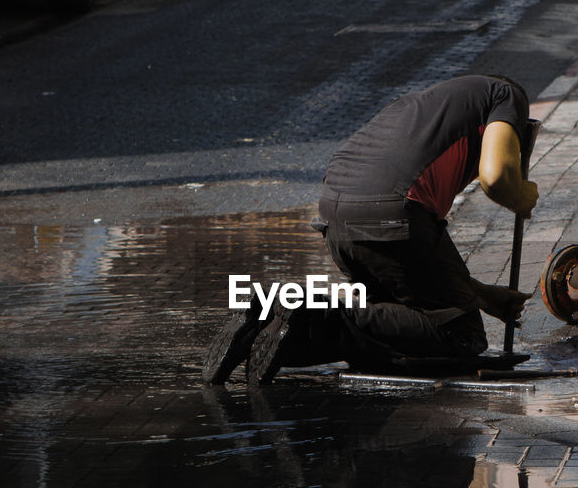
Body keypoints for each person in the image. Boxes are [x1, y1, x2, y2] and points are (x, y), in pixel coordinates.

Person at [203, 74, 539, 385]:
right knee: (460, 336)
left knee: (396, 327)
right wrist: (522, 196)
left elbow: (413, 272)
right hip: (394, 215)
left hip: (336, 215)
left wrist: (477, 295)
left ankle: (269, 318)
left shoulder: (423, 107)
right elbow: (497, 178)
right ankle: (312, 317)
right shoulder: (505, 95)